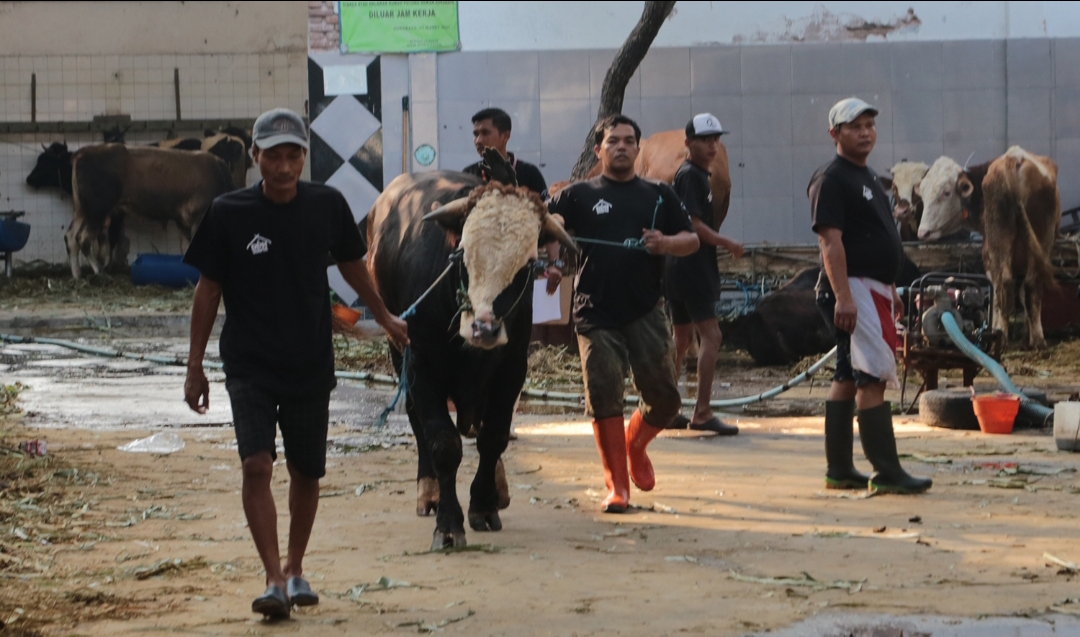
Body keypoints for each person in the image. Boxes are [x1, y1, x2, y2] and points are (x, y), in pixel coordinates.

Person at [182, 108, 410, 620]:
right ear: (256, 156)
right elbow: (208, 289)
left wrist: (385, 317)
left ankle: (296, 565)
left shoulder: (326, 205)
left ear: (303, 158)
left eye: (293, 155)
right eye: (273, 156)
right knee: (256, 464)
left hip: (309, 360)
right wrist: (194, 366)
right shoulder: (228, 211)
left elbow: (354, 264)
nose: (283, 166)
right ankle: (272, 579)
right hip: (250, 363)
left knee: (307, 471)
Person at [548, 115, 699, 513]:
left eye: (629, 141)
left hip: (646, 309)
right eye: (613, 141)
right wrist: (550, 257)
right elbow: (546, 223)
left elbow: (692, 240)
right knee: (603, 395)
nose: (621, 147)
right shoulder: (578, 195)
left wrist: (665, 242)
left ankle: (636, 443)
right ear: (598, 150)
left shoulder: (659, 194)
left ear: (638, 148)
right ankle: (617, 486)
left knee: (666, 401)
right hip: (594, 311)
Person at [809, 97, 932, 494]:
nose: (864, 132)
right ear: (835, 134)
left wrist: (892, 288)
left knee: (847, 374)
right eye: (854, 126)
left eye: (869, 125)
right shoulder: (831, 179)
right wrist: (844, 297)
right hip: (853, 290)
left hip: (873, 289)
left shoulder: (869, 179)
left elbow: (882, 239)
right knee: (873, 376)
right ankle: (887, 471)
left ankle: (840, 470)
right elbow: (831, 243)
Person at [666, 113, 745, 436]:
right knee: (711, 336)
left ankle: (667, 408)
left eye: (716, 139)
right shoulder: (692, 177)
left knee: (682, 338)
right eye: (705, 140)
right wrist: (726, 240)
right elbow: (694, 226)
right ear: (689, 144)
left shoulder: (697, 175)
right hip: (692, 265)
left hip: (679, 267)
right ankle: (702, 411)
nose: (713, 145)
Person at [464, 107, 562, 295]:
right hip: (476, 271)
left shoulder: (529, 173)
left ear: (505, 135)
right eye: (475, 134)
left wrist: (554, 262)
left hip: (520, 268)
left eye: (485, 133)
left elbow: (546, 219)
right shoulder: (469, 174)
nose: (478, 140)